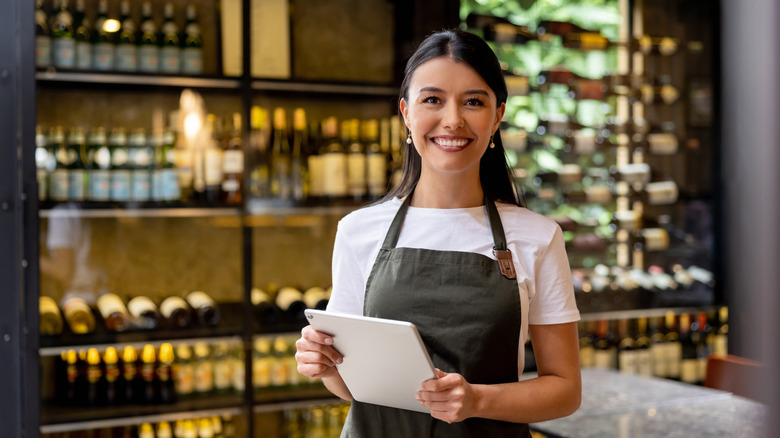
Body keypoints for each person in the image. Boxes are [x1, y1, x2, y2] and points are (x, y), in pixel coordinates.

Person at [295, 28, 581, 437]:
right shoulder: (358, 231)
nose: (453, 120)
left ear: (497, 116)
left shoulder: (537, 237)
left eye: (473, 102)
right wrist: (324, 365)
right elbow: (353, 387)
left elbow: (565, 391)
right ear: (406, 113)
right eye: (432, 99)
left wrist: (477, 400)